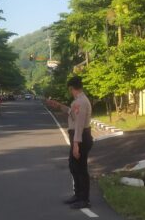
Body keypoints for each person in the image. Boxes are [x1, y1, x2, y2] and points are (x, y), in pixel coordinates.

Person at [47, 76, 93, 209]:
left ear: (72, 88)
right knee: (74, 166)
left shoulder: (81, 102)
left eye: (70, 90)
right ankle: (78, 195)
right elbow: (72, 113)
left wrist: (76, 144)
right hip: (78, 136)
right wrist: (59, 106)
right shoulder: (78, 101)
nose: (70, 92)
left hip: (81, 137)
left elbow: (79, 124)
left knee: (80, 169)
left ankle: (84, 199)